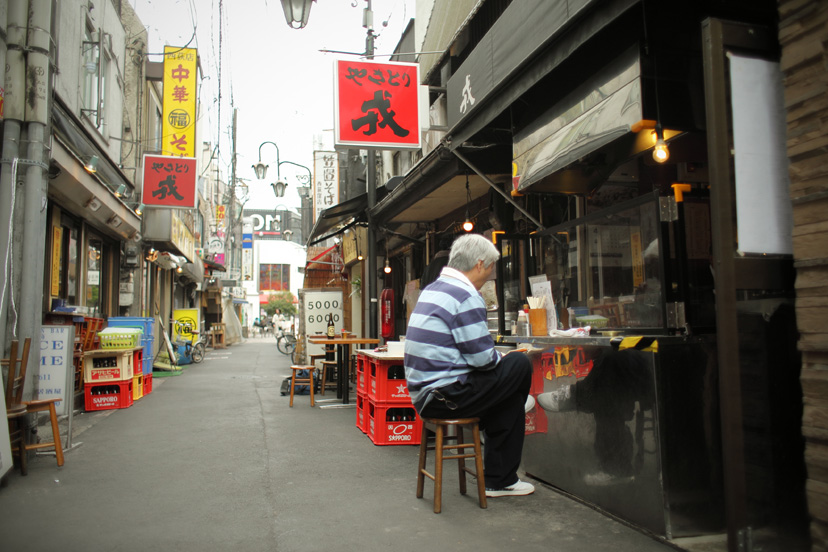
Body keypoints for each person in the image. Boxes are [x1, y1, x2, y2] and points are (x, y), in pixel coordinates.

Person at [404, 233, 535, 497]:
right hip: (445, 396)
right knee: (520, 364)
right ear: (479, 264)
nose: (489, 275)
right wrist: (505, 360)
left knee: (509, 401)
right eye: (490, 268)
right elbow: (483, 360)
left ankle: (501, 481)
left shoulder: (433, 289)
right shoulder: (464, 295)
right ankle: (499, 480)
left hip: (426, 396)